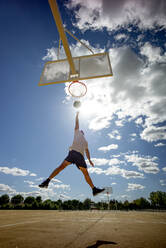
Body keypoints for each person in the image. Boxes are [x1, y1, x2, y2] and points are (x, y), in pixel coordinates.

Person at [39, 112, 105, 196]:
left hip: (80, 156)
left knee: (85, 173)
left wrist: (89, 160)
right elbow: (77, 124)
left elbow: (87, 151)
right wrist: (77, 115)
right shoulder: (77, 133)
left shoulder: (85, 142)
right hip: (73, 153)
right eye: (80, 130)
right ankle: (47, 181)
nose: (81, 131)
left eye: (82, 131)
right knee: (61, 167)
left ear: (83, 133)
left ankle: (94, 189)